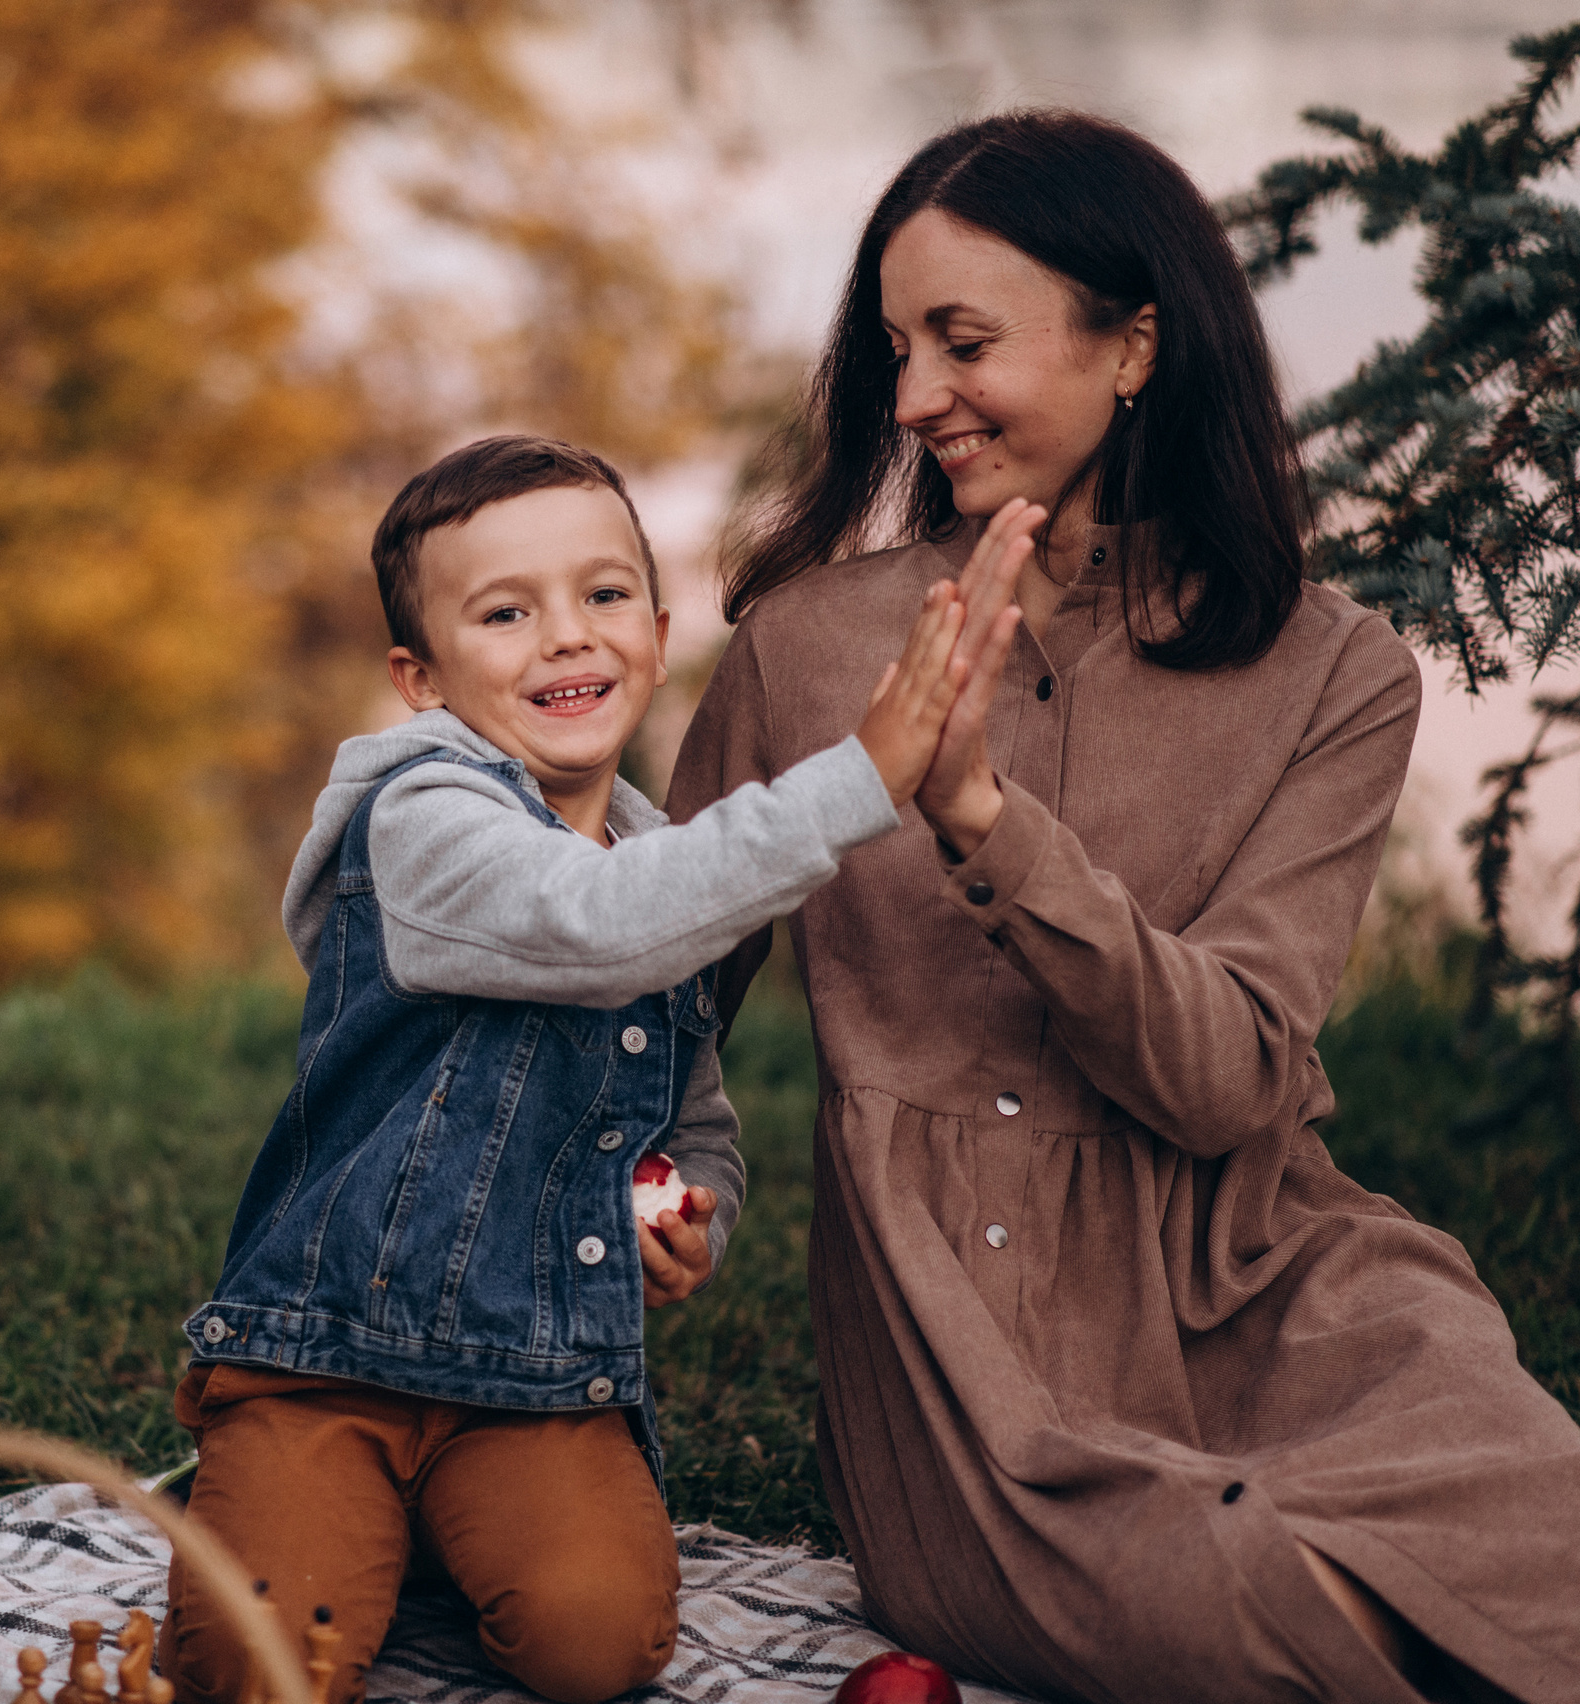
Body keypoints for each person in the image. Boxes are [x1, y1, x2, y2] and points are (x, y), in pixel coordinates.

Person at [665, 110, 1580, 1704]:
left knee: (1545, 1540)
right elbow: (651, 980)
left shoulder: (1332, 669)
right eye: (896, 349)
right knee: (1232, 1599)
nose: (914, 399)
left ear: (1135, 343)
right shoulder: (811, 650)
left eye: (964, 340)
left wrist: (983, 824)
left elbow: (1229, 1078)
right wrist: (674, 1184)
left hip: (1271, 1284)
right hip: (962, 1349)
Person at [158, 434, 1016, 1704]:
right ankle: (300, 1487)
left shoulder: (667, 864)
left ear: (657, 635)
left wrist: (700, 1216)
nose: (567, 637)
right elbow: (596, 919)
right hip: (326, 1351)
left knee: (596, 1644)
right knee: (261, 1660)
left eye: (603, 596)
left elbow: (699, 1114)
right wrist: (860, 780)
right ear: (420, 675)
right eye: (505, 613)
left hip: (533, 1370)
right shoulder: (423, 819)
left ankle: (425, 1529)